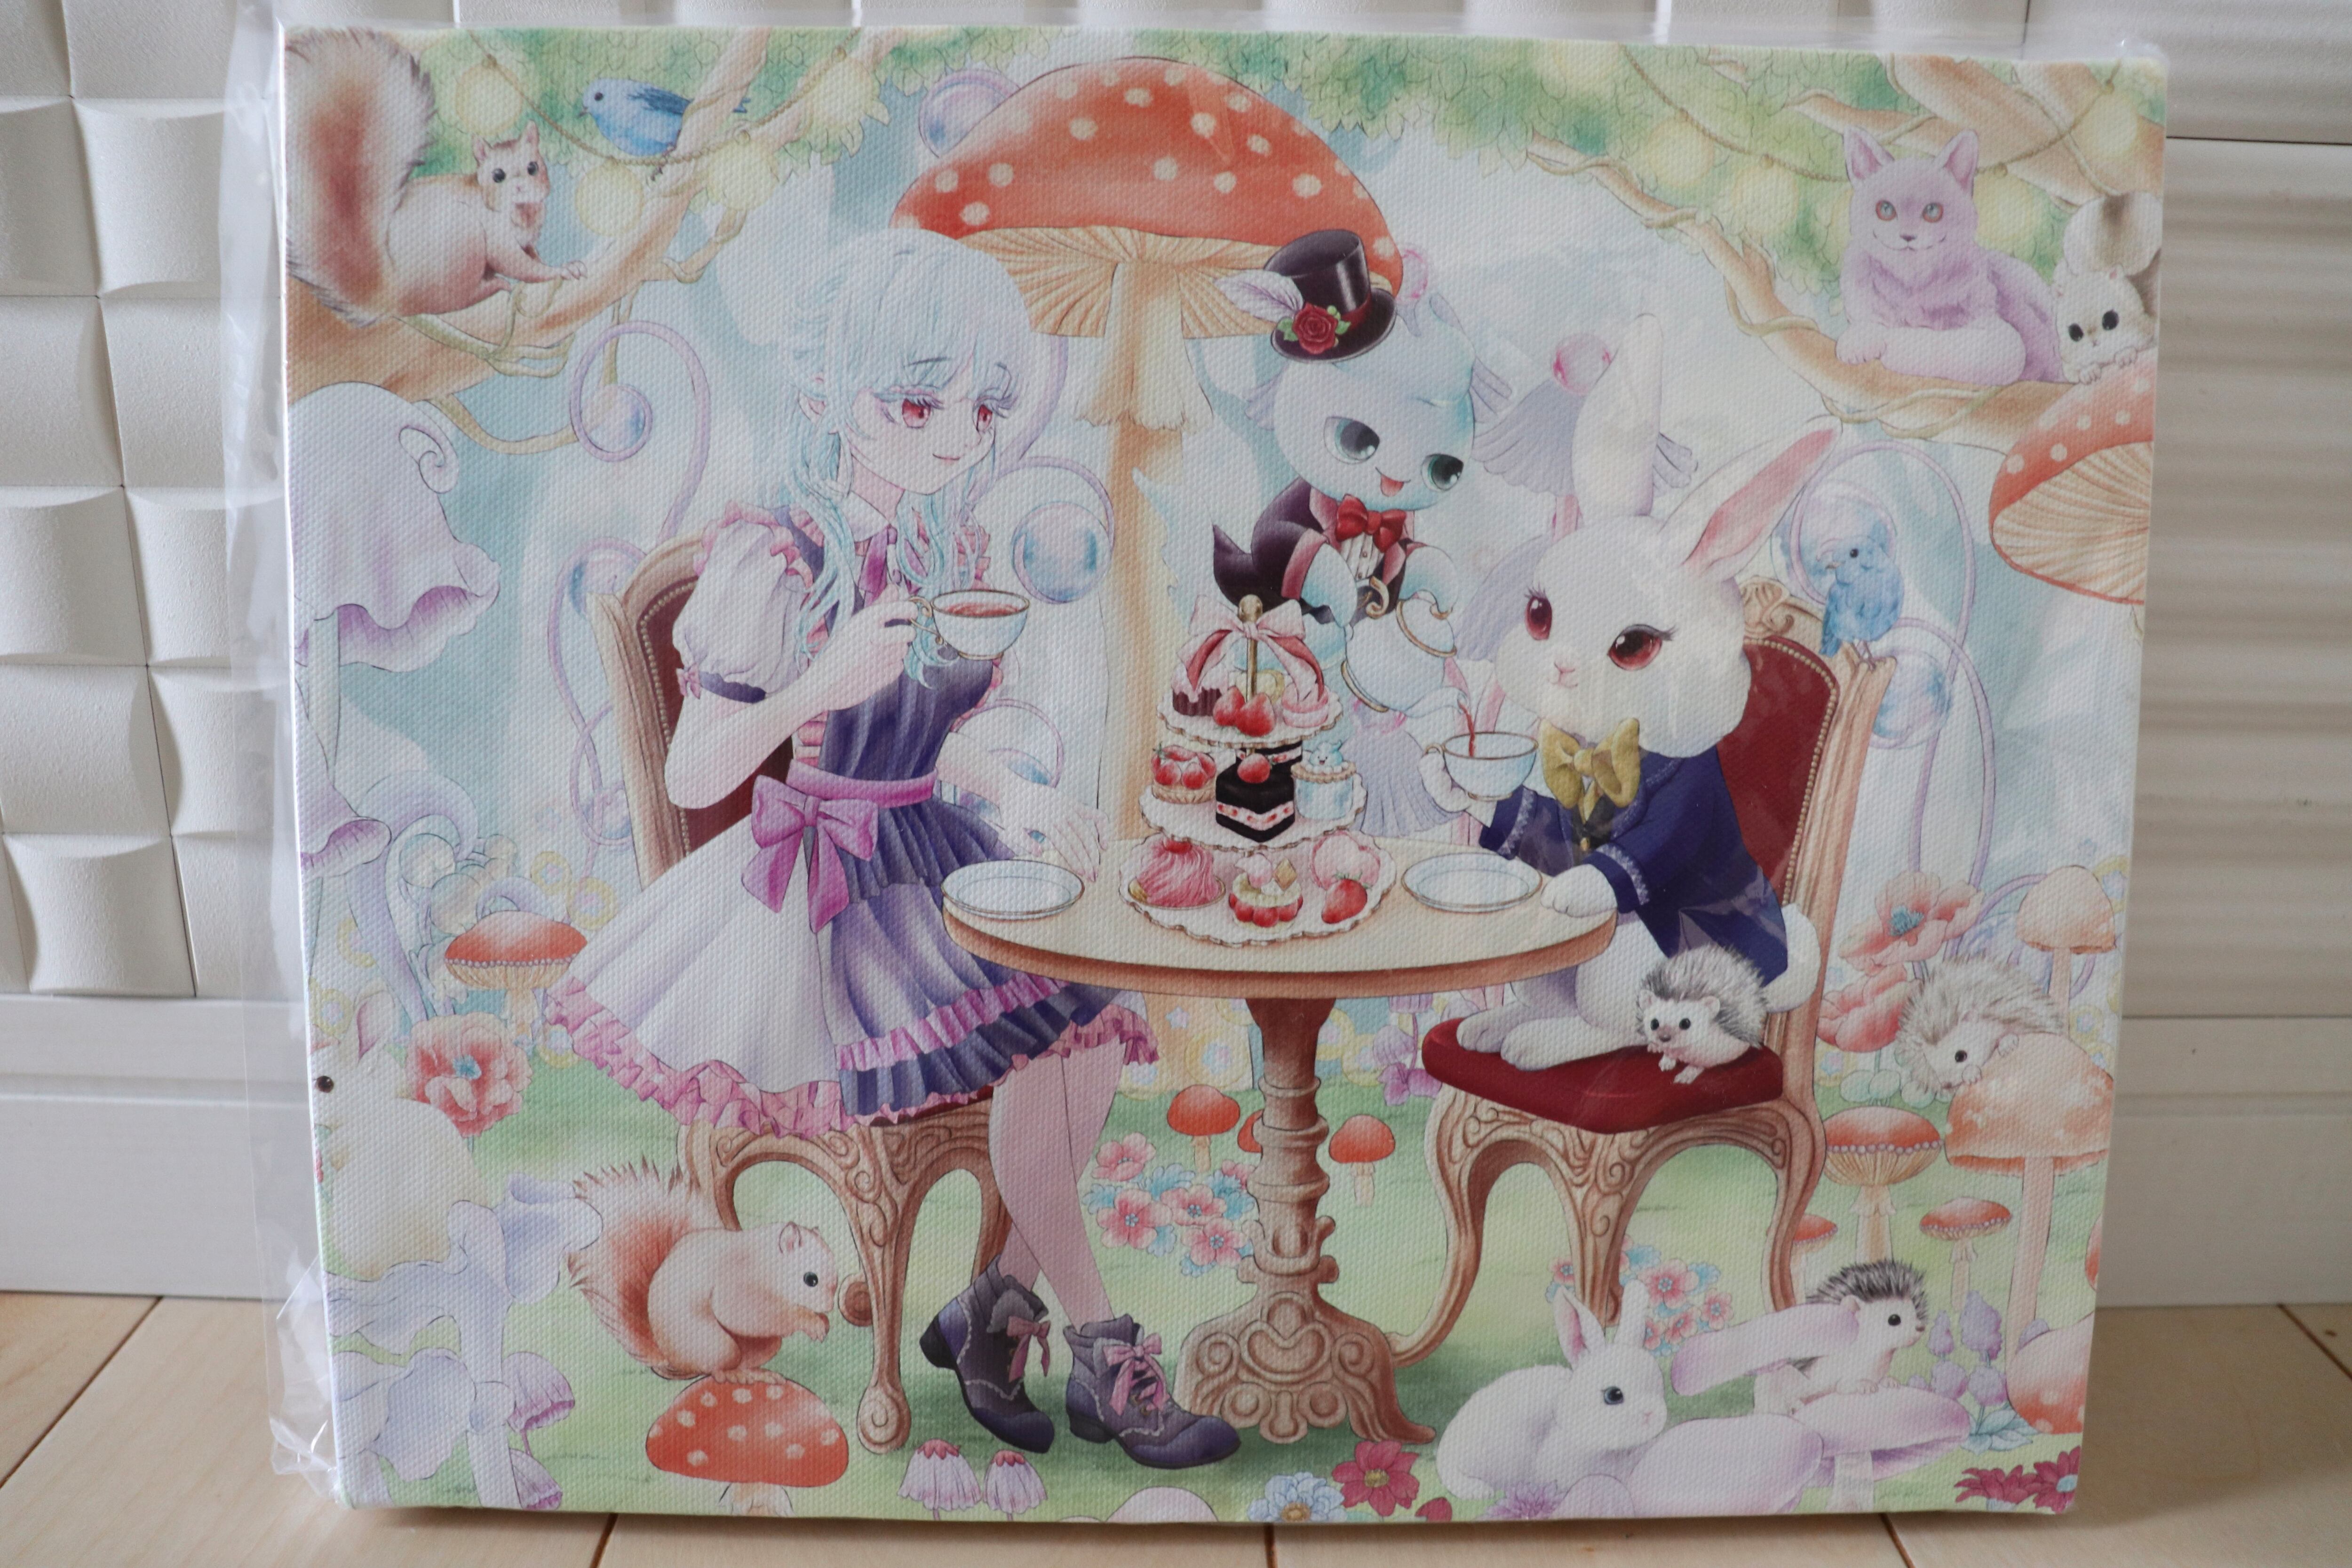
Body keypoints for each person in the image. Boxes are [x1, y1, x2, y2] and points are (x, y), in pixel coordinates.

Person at [549, 230, 1238, 1469]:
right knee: (1047, 1043)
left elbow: (933, 738)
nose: (953, 437)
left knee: (1085, 1037)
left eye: (981, 408)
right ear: (830, 390)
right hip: (829, 882)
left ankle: (991, 1313)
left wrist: (1016, 792)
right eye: (917, 404)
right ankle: (1103, 1350)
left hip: (937, 843)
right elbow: (695, 773)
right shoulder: (777, 558)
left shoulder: (939, 550)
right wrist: (820, 679)